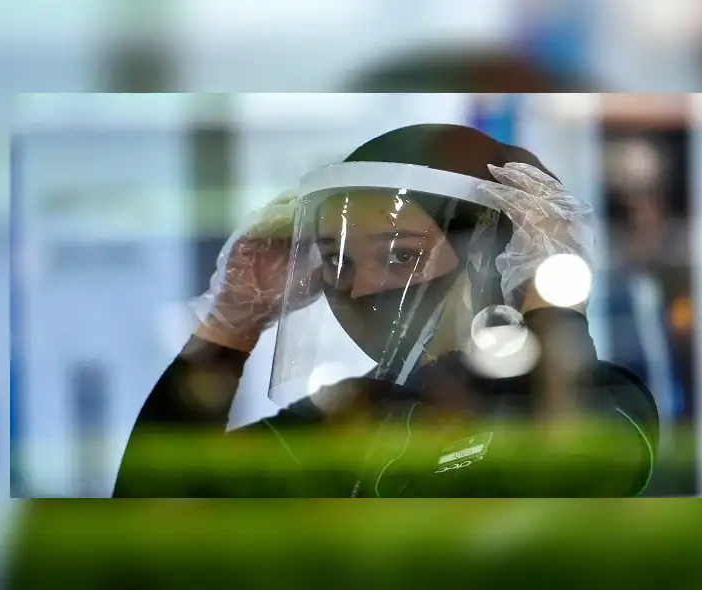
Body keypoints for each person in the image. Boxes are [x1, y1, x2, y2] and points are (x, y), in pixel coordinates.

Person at [113, 124, 658, 497]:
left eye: (400, 255)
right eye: (337, 260)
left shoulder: (607, 400)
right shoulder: (346, 423)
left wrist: (549, 300)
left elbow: (576, 466)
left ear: (494, 262)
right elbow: (150, 511)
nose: (362, 285)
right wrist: (232, 324)